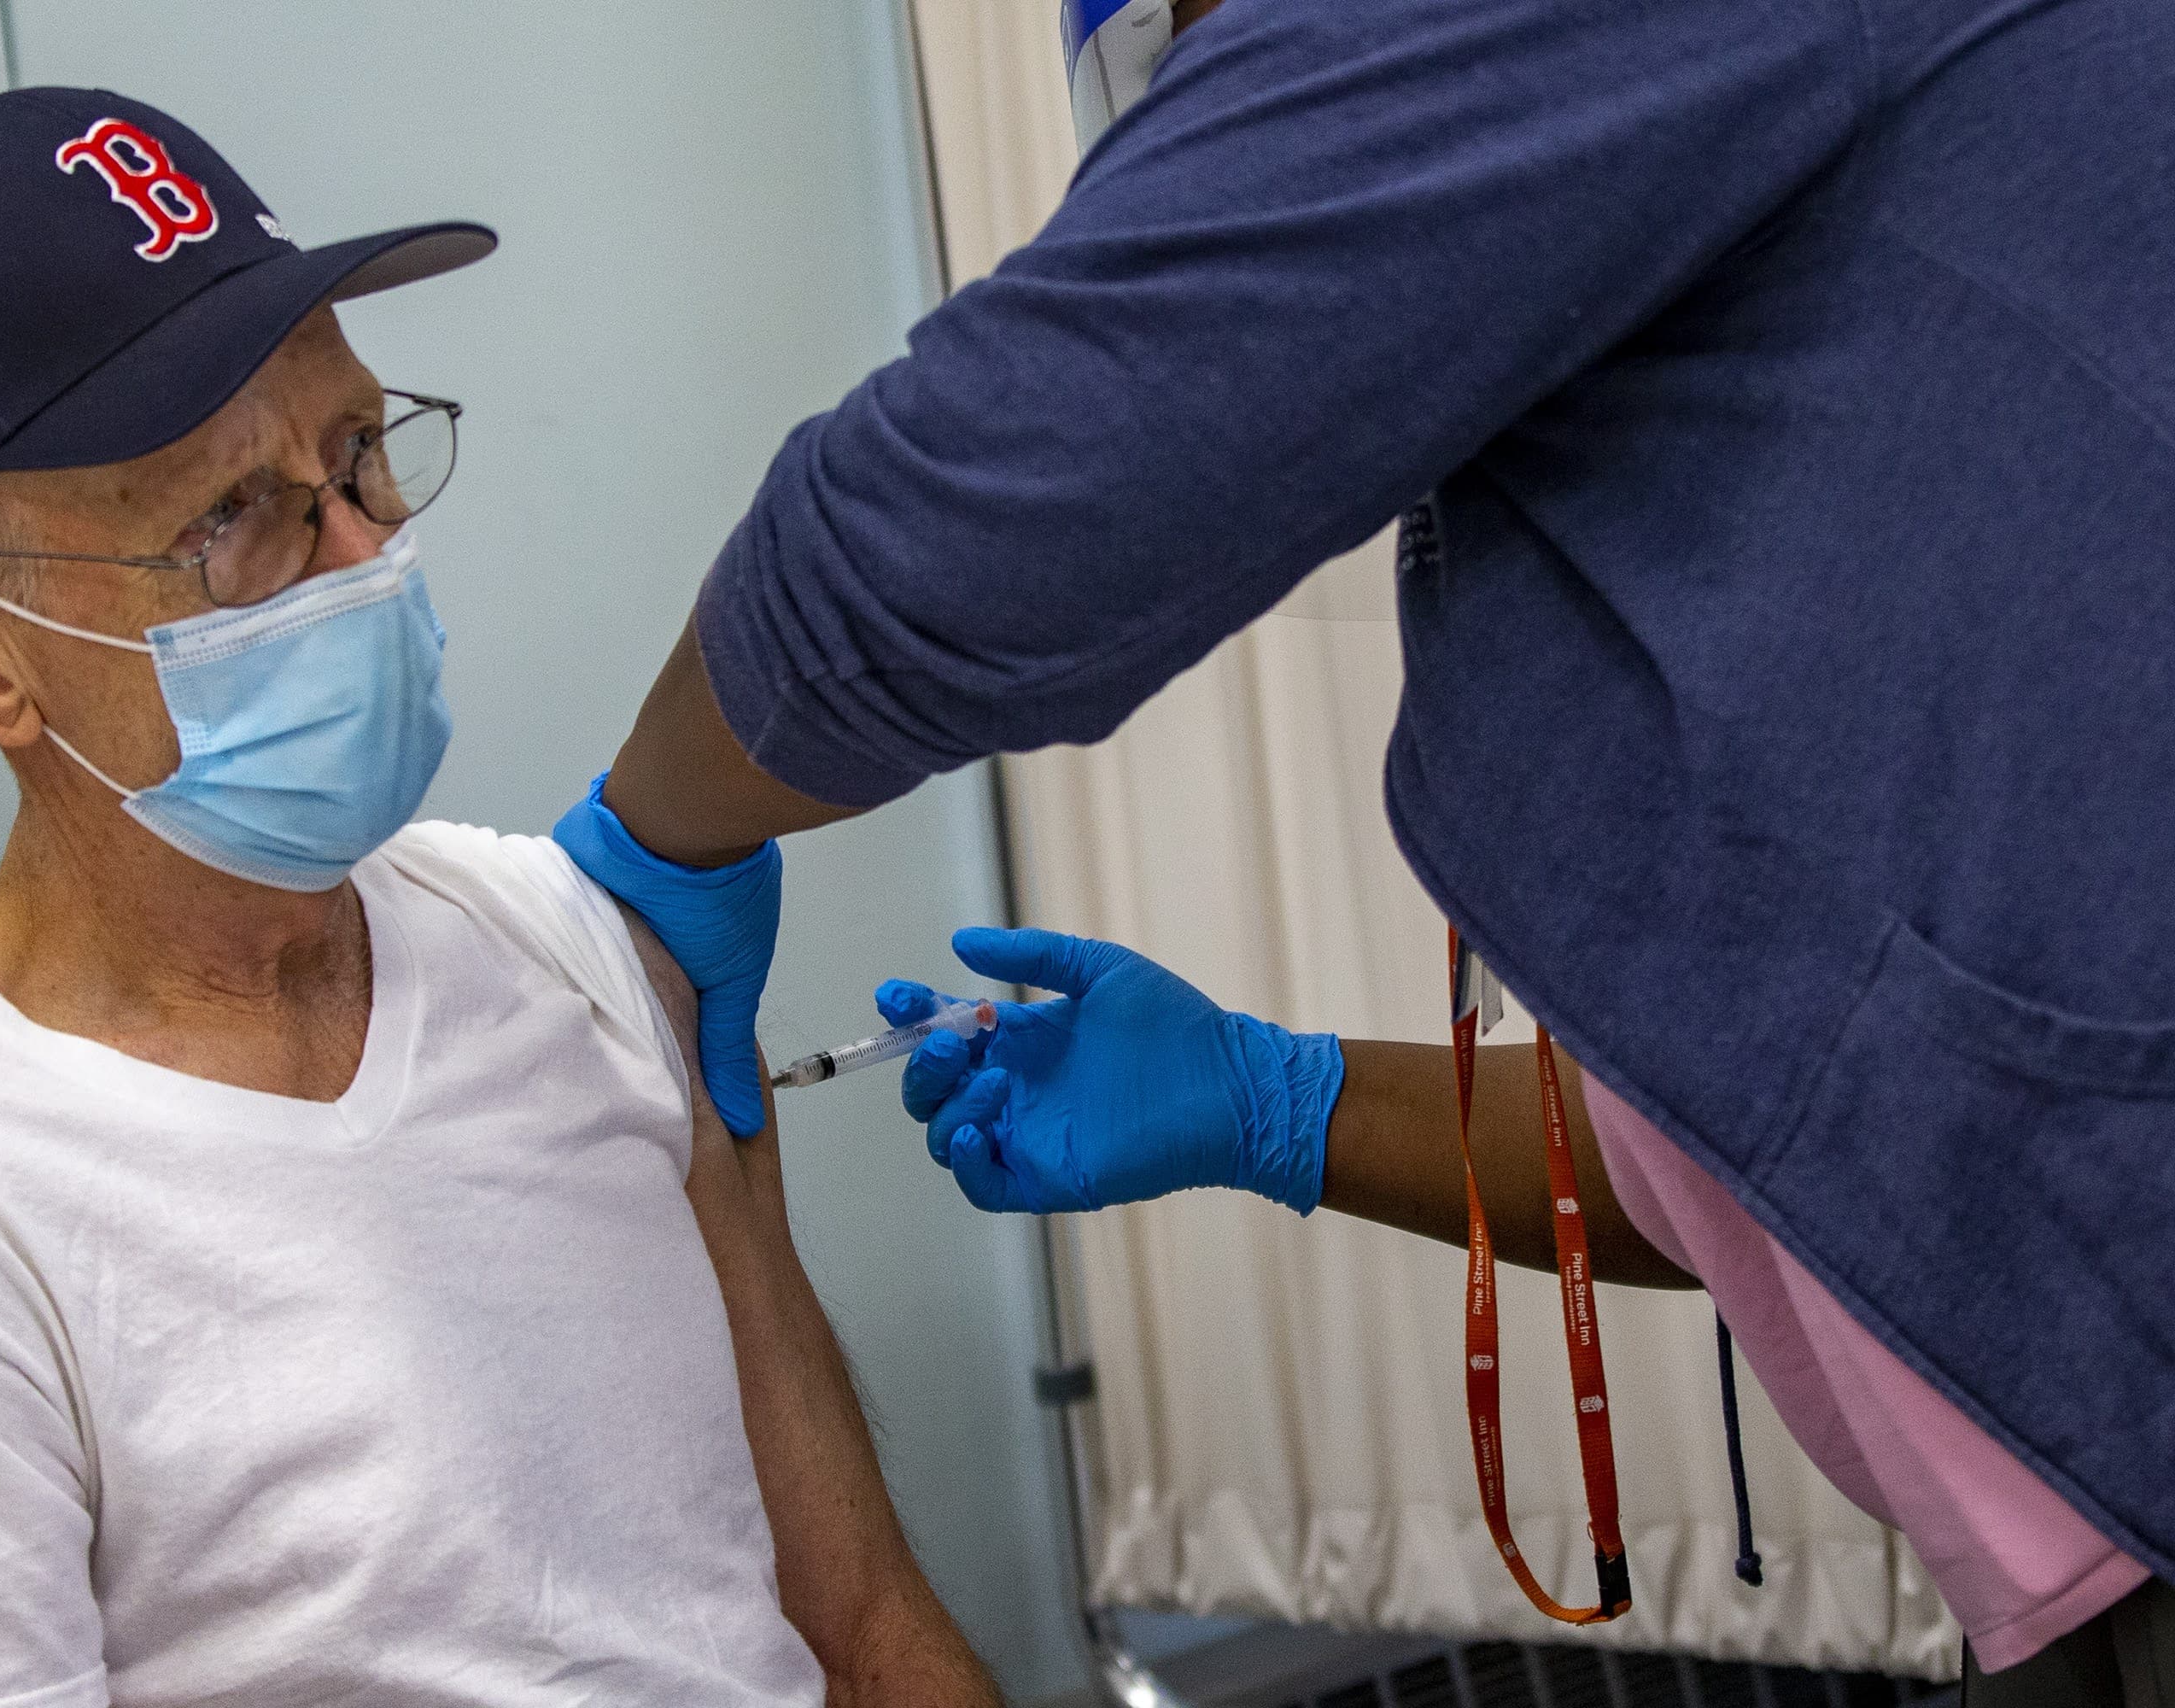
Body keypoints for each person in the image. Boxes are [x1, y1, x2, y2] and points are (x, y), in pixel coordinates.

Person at [549, 0, 2175, 1699]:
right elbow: (1795, 1145)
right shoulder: (1804, 461)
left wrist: (652, 840)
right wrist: (1275, 1096)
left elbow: (952, 528)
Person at [0, 89, 997, 1708]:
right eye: (228, 517)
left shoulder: (567, 946)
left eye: (357, 455)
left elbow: (870, 1625)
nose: (355, 556)